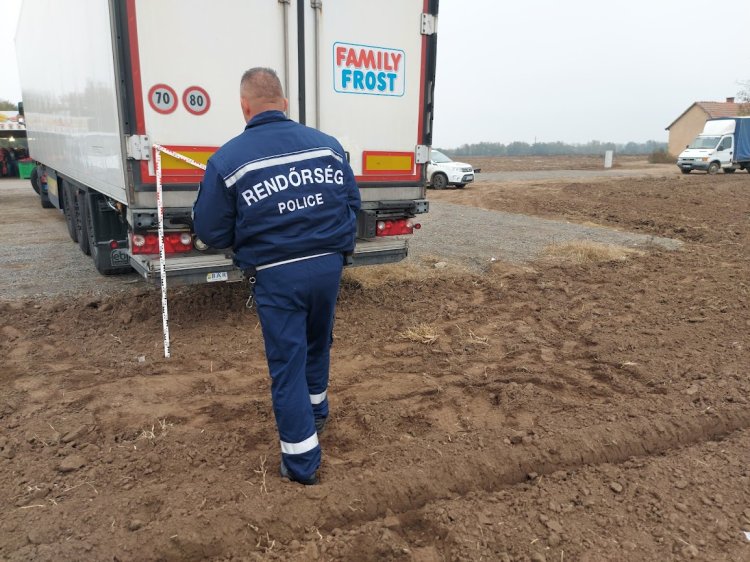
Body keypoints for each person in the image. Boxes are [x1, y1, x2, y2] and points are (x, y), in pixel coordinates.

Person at [193, 67, 361, 485]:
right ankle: (317, 412)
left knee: (287, 363)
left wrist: (249, 238)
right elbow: (352, 204)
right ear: (285, 104)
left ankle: (302, 464)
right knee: (318, 342)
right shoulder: (329, 147)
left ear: (244, 107)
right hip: (328, 267)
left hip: (276, 274)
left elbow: (210, 230)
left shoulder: (227, 160)